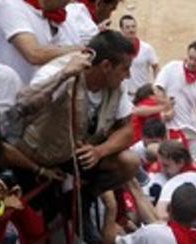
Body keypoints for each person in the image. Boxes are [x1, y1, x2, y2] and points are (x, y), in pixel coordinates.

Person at [14, 30, 136, 193]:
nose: (128, 76)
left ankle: (85, 196)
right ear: (106, 66)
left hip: (73, 157)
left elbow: (127, 130)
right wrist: (62, 76)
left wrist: (99, 151)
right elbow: (23, 106)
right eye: (125, 69)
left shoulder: (116, 86)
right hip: (37, 157)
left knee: (129, 162)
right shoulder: (59, 71)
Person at [154, 40, 196, 157]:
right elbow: (158, 88)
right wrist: (166, 107)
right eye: (190, 58)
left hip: (193, 131)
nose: (192, 62)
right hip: (173, 127)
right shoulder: (172, 68)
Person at [154, 139, 196, 216]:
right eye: (160, 164)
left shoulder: (175, 183)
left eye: (166, 165)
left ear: (180, 162)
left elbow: (160, 216)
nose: (162, 170)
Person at [119, 13, 156, 96]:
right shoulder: (116, 49)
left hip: (142, 97)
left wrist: (156, 86)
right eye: (127, 27)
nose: (131, 30)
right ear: (121, 29)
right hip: (122, 96)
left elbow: (156, 66)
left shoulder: (147, 48)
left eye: (133, 26)